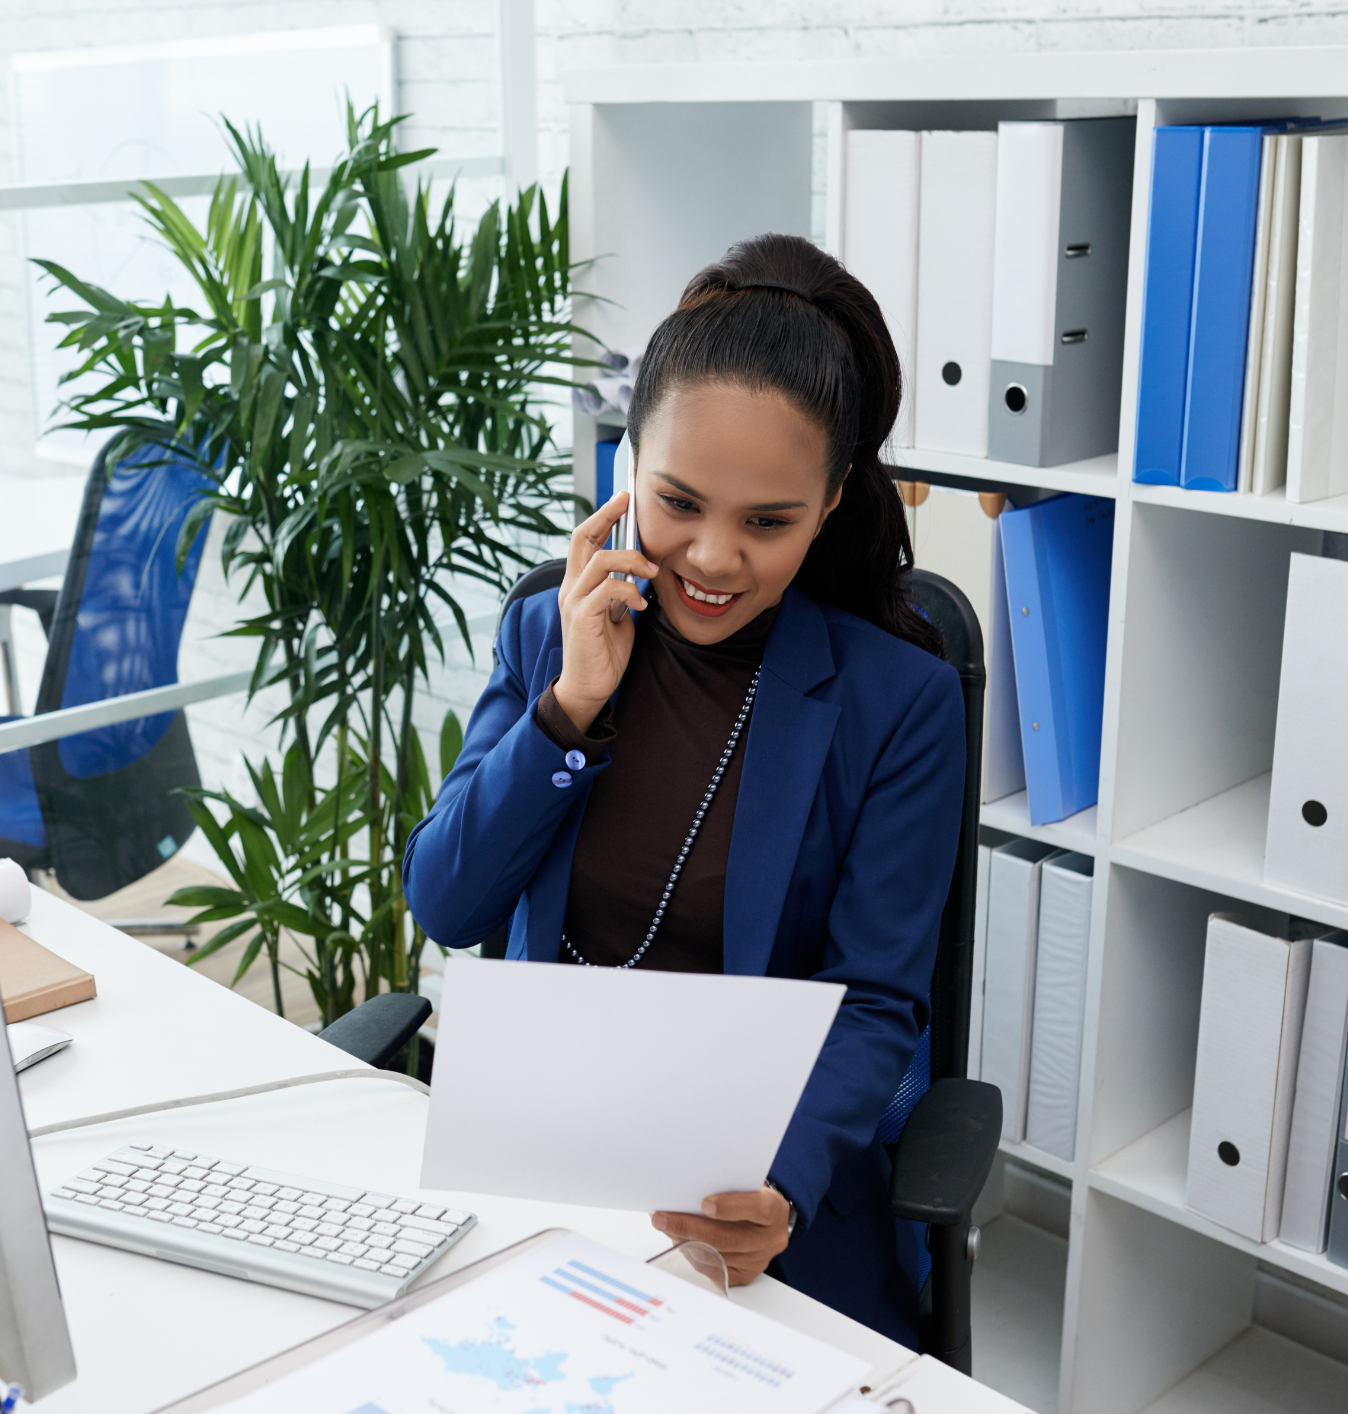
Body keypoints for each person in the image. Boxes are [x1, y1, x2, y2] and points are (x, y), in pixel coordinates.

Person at [402, 231, 966, 1342]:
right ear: (624, 464)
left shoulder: (898, 700)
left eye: (768, 522)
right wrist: (565, 706)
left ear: (830, 500)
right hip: (546, 1171)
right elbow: (448, 902)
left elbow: (876, 998)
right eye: (678, 501)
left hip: (747, 1203)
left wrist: (782, 1186)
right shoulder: (546, 633)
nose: (712, 558)